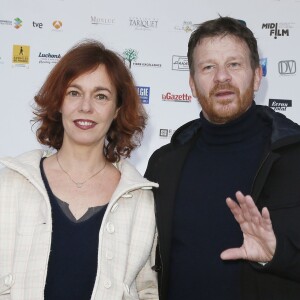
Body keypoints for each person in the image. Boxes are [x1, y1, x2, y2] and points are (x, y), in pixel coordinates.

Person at [145, 16, 300, 300]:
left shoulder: (295, 157)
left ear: (256, 76)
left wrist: (275, 255)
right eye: (208, 67)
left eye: (234, 64)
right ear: (192, 84)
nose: (221, 77)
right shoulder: (163, 164)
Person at [0, 40, 158, 300]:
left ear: (117, 109)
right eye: (74, 92)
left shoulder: (140, 199)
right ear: (59, 101)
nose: (86, 107)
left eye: (101, 96)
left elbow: (147, 292)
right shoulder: (11, 185)